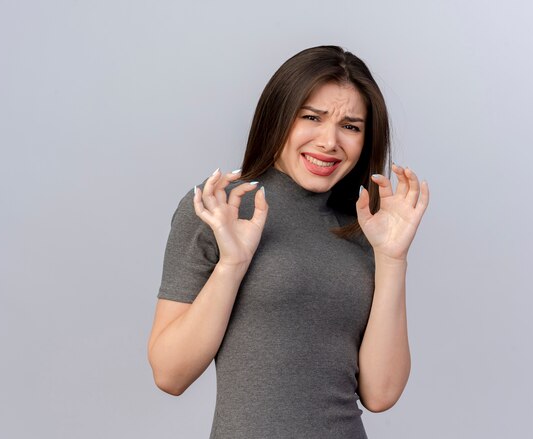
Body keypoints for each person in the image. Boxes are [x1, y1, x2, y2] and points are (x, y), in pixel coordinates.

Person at [147, 45, 429, 438]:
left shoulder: (365, 226)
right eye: (311, 117)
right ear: (278, 117)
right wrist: (231, 265)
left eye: (350, 126)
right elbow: (169, 373)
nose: (330, 141)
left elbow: (380, 393)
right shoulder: (222, 208)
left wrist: (393, 258)